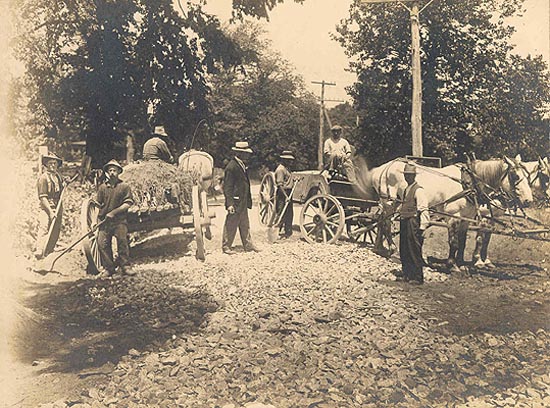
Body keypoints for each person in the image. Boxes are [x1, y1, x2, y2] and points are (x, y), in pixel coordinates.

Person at [95, 160, 135, 276]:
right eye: (110, 170)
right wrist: (96, 221)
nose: (112, 173)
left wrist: (114, 212)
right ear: (107, 172)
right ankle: (109, 268)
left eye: (115, 171)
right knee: (102, 243)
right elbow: (97, 205)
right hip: (105, 221)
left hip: (119, 221)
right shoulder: (102, 188)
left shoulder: (124, 187)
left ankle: (125, 266)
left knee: (122, 241)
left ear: (119, 172)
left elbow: (128, 203)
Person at [222, 141, 261, 254]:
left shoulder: (242, 165)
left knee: (244, 223)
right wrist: (229, 204)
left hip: (242, 200)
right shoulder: (231, 167)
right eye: (245, 153)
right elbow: (228, 187)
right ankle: (226, 246)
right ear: (239, 153)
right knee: (231, 223)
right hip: (235, 200)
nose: (248, 155)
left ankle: (248, 245)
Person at [396, 162, 430, 284]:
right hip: (404, 220)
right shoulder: (406, 189)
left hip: (413, 221)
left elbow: (423, 208)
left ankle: (417, 277)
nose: (407, 177)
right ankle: (407, 273)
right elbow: (405, 203)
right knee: (404, 248)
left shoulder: (418, 190)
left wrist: (422, 226)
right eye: (406, 175)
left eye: (410, 175)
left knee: (413, 249)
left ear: (414, 176)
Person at [35, 153, 64, 259]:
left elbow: (61, 188)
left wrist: (66, 183)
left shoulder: (57, 176)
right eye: (50, 163)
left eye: (55, 163)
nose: (52, 165)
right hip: (46, 207)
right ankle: (39, 249)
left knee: (56, 228)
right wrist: (51, 212)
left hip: (58, 206)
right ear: (46, 164)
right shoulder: (43, 178)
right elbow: (43, 197)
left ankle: (50, 249)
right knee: (44, 227)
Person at [274, 150, 295, 238]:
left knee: (289, 213)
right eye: (287, 160)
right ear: (283, 159)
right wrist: (286, 196)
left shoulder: (287, 168)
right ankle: (277, 232)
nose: (289, 161)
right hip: (282, 193)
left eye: (290, 160)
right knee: (281, 212)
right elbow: (280, 185)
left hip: (289, 192)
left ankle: (288, 232)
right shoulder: (280, 169)